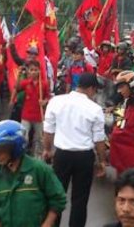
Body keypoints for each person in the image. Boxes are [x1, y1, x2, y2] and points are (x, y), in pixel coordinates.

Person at [43, 72, 108, 227]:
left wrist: (48, 150)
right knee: (80, 200)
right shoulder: (95, 109)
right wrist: (102, 161)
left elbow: (48, 130)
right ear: (91, 89)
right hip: (84, 158)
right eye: (95, 90)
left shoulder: (56, 101)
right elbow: (99, 139)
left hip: (62, 156)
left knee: (57, 196)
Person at [0, 120, 66, 227]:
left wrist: (47, 223)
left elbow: (58, 198)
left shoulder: (39, 169)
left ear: (15, 148)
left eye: (1, 150)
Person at [16, 60, 50, 157]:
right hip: (26, 115)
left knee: (39, 139)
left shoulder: (44, 84)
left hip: (39, 116)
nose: (33, 72)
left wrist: (44, 102)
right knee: (24, 137)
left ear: (39, 71)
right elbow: (17, 88)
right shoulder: (26, 83)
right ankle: (22, 157)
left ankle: (38, 158)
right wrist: (18, 75)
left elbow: (48, 97)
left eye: (35, 70)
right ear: (28, 72)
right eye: (31, 70)